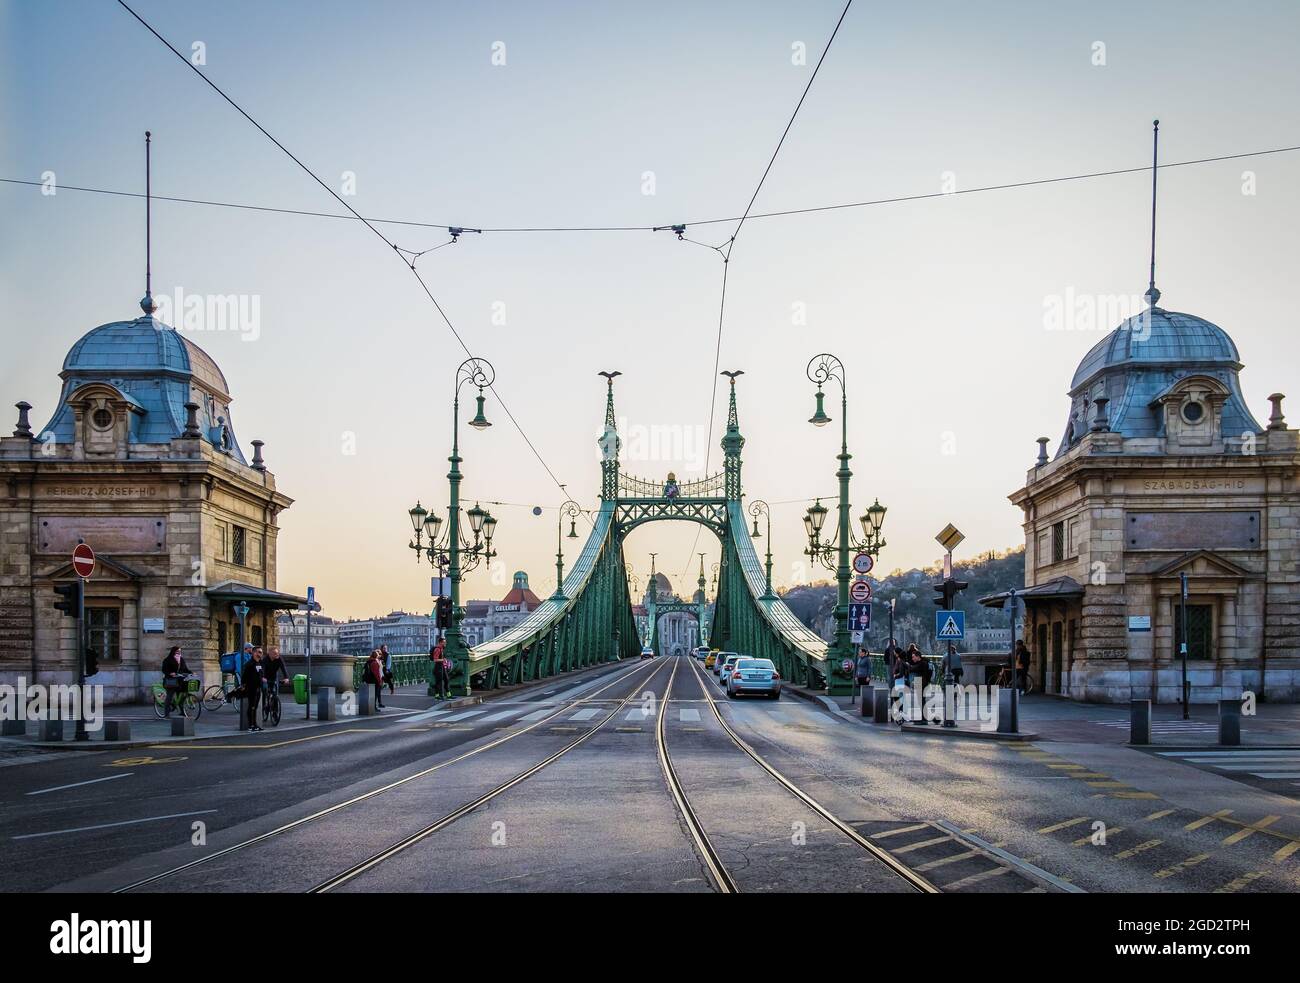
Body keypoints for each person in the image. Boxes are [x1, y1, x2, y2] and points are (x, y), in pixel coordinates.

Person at [241, 646, 266, 732]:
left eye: (261, 652)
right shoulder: (249, 664)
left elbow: (261, 674)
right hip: (251, 688)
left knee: (255, 707)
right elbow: (244, 677)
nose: (261, 654)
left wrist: (262, 678)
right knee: (251, 706)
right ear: (254, 653)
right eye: (259, 652)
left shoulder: (260, 663)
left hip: (258, 688)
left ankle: (255, 724)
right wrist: (244, 686)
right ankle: (250, 725)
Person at [161, 645, 191, 717]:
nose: (179, 653)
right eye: (177, 651)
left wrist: (192, 673)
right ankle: (166, 713)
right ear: (173, 652)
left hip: (180, 681)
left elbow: (185, 669)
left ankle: (182, 711)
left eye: (180, 651)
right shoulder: (167, 660)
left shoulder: (181, 659)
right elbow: (164, 670)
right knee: (170, 696)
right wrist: (170, 673)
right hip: (170, 680)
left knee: (184, 694)